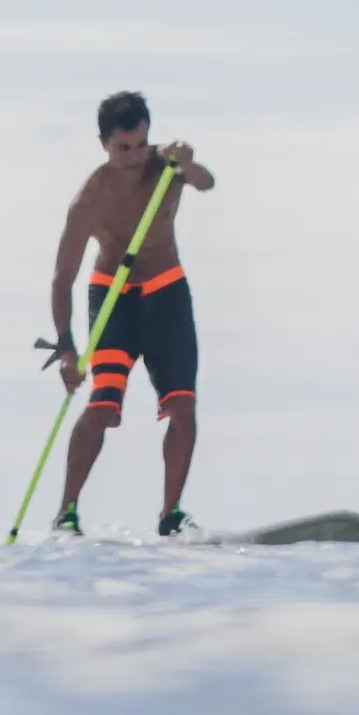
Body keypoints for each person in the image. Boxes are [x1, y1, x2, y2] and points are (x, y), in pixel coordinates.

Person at [47, 92, 216, 537]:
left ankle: (171, 514)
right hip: (114, 301)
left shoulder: (166, 168)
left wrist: (189, 162)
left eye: (141, 145)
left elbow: (206, 182)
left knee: (183, 408)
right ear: (104, 143)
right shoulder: (89, 199)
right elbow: (62, 278)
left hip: (167, 296)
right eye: (124, 148)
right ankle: (67, 512)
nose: (135, 156)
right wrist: (66, 349)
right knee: (102, 404)